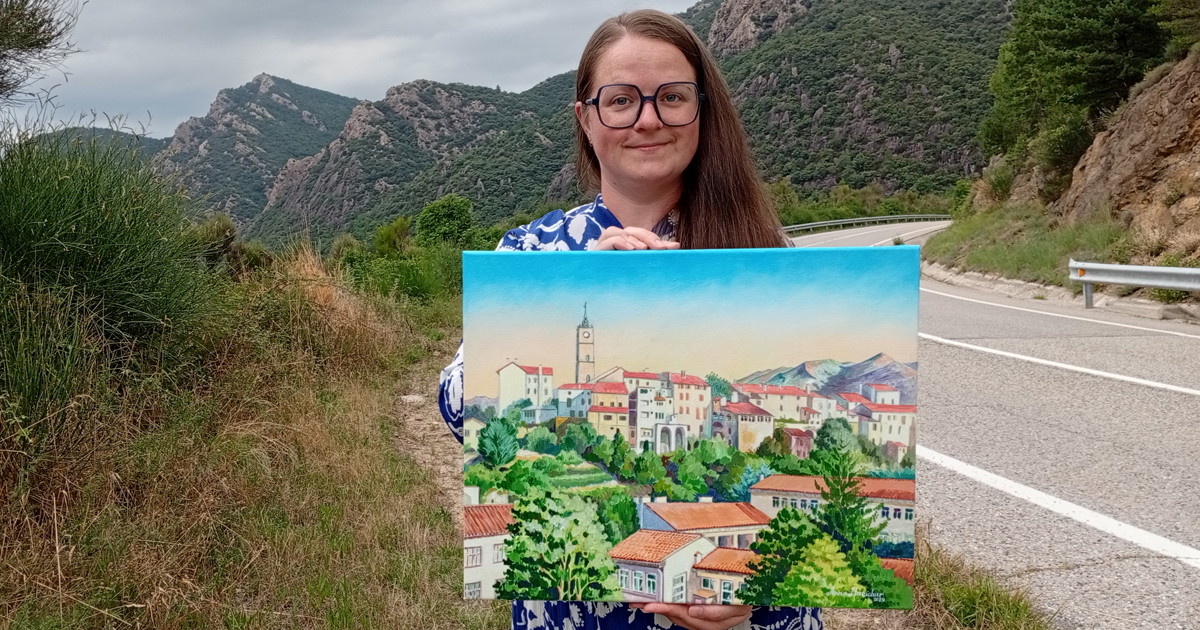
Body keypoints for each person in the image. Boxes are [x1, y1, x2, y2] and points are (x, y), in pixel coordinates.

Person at [439, 9, 823, 630]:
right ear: (586, 119)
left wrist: (758, 586)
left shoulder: (770, 260)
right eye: (620, 100)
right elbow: (459, 408)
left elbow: (802, 473)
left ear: (703, 110)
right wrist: (575, 289)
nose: (647, 118)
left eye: (672, 97)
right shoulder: (533, 255)